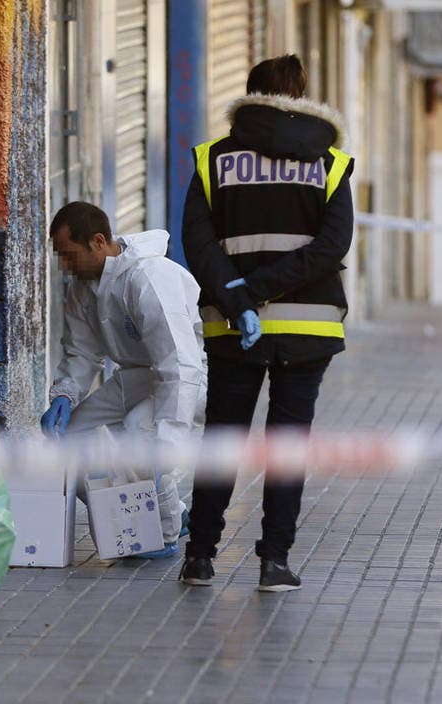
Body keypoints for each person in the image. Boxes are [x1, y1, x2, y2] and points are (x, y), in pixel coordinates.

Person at [178, 55, 354, 591]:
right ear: (301, 98)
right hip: (309, 327)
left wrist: (240, 295)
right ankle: (274, 562)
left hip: (234, 328)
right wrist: (264, 290)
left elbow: (198, 241)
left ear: (249, 97)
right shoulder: (330, 162)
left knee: (223, 439)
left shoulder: (214, 160)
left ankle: (200, 557)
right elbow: (333, 245)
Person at [40, 201, 207, 558]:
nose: (65, 267)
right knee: (71, 440)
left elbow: (179, 364)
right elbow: (82, 353)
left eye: (70, 255)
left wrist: (169, 439)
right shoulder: (83, 288)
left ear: (98, 242)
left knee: (139, 436)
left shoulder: (149, 278)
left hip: (189, 378)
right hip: (135, 376)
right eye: (61, 257)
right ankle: (174, 513)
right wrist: (64, 396)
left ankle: (162, 535)